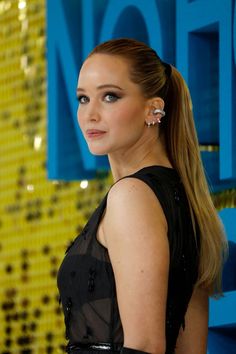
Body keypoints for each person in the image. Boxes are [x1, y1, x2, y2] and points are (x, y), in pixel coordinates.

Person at [57, 38, 227, 354]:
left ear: (153, 108)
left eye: (109, 96)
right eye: (83, 99)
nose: (90, 114)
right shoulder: (187, 203)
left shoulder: (131, 197)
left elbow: (146, 346)